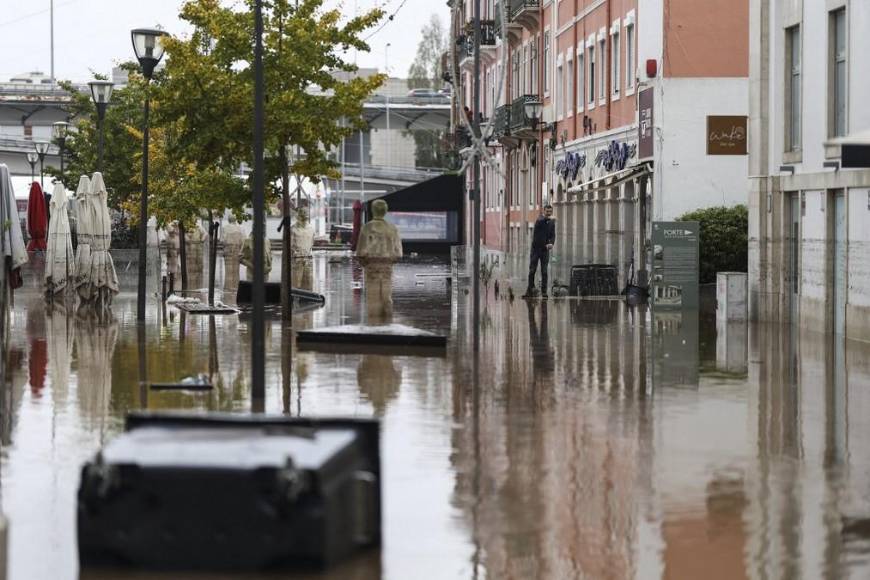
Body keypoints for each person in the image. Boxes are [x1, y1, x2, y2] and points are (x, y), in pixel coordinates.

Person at [524, 204, 555, 298]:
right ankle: (530, 289)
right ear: (543, 211)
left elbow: (553, 235)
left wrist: (551, 243)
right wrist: (549, 219)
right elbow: (539, 235)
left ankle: (544, 292)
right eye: (547, 211)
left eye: (550, 212)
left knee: (544, 271)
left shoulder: (551, 223)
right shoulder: (539, 220)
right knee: (532, 270)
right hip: (536, 250)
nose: (549, 213)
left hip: (545, 250)